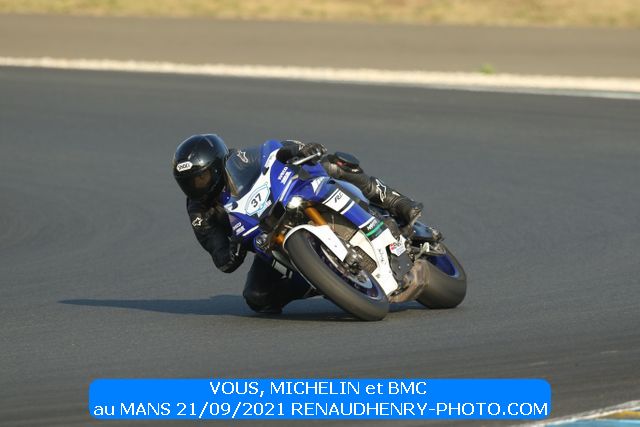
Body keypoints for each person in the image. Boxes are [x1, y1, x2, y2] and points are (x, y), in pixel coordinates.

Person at [172, 134, 423, 314]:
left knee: (333, 164)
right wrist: (235, 248)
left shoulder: (240, 160)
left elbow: (275, 151)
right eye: (188, 182)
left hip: (291, 199)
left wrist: (299, 150)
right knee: (257, 297)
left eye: (201, 178)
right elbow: (220, 257)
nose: (196, 187)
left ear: (217, 166)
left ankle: (396, 202)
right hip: (267, 240)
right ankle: (325, 280)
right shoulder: (199, 212)